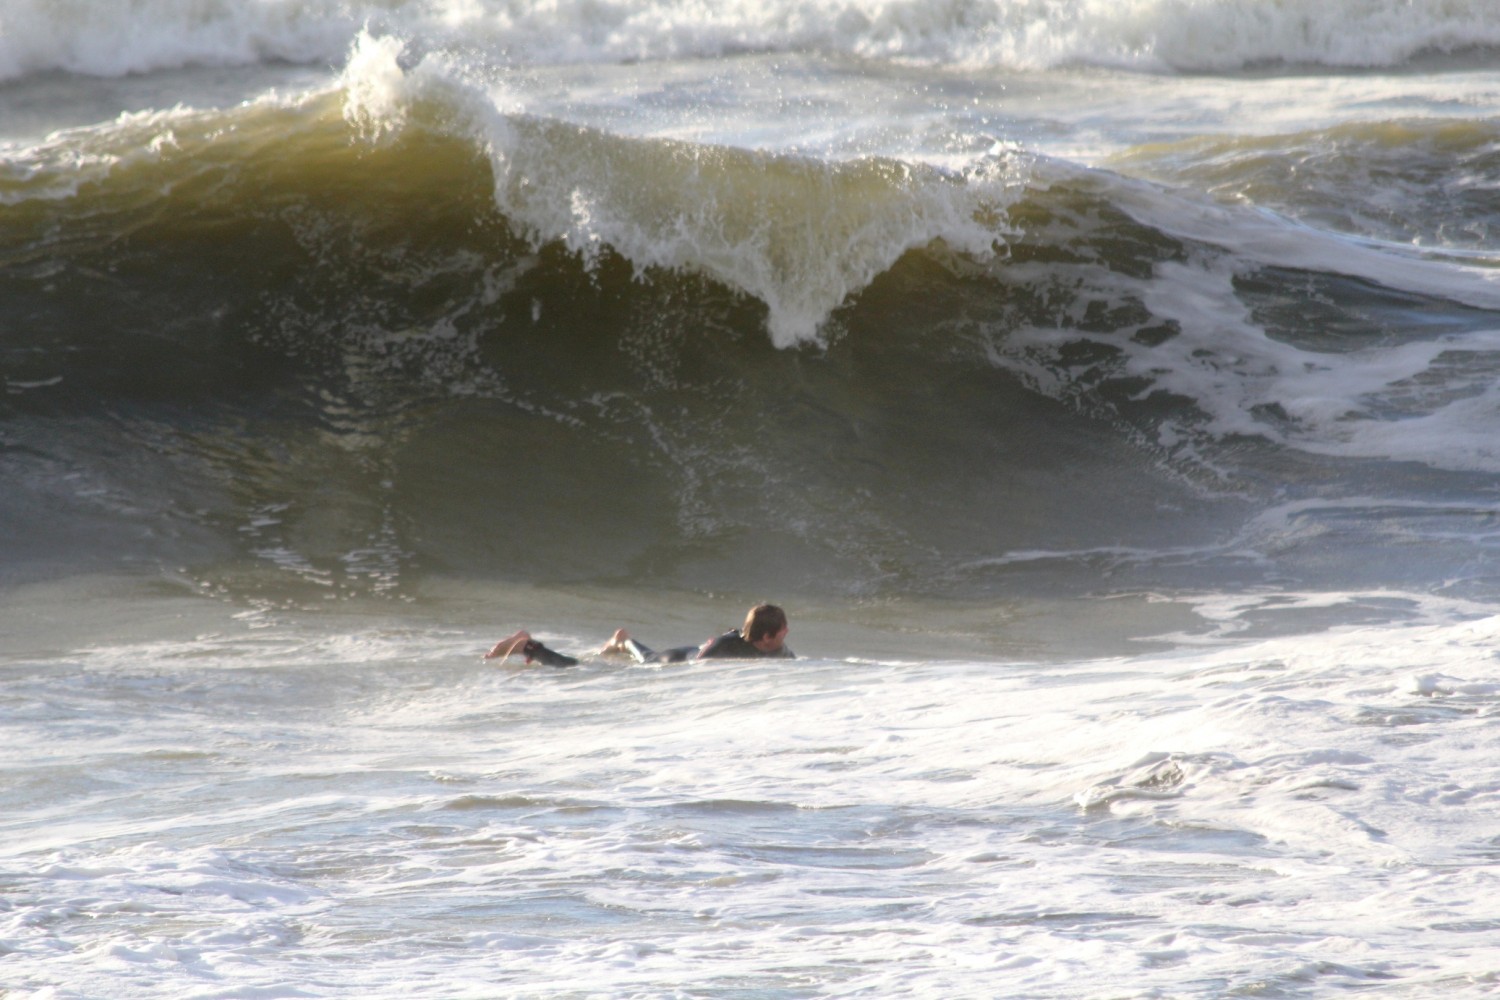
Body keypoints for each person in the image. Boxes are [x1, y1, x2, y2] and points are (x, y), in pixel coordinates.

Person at [484, 604, 793, 667]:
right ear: (765, 637)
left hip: (684, 654)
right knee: (576, 669)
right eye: (782, 631)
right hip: (672, 660)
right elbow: (699, 663)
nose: (787, 634)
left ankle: (622, 640)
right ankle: (528, 645)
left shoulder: (779, 652)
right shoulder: (726, 645)